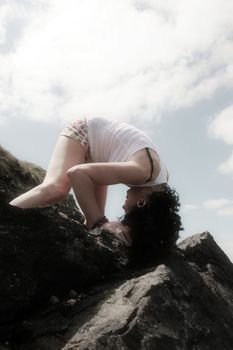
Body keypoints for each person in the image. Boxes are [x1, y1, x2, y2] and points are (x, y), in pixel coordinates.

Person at [9, 116, 183, 257]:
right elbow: (77, 173)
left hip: (100, 158)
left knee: (93, 225)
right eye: (128, 211)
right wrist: (102, 222)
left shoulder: (158, 183)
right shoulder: (143, 172)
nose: (123, 206)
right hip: (84, 133)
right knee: (56, 189)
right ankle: (6, 213)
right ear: (141, 204)